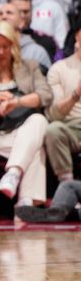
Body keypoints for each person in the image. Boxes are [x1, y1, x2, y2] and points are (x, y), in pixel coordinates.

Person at [0, 20, 52, 209]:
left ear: (13, 46)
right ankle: (26, 205)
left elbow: (45, 96)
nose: (0, 52)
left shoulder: (30, 67)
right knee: (36, 148)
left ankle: (13, 175)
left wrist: (17, 101)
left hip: (26, 127)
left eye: (5, 47)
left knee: (38, 119)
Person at [44, 23, 81, 184]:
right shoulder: (59, 69)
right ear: (77, 35)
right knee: (53, 130)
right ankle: (68, 187)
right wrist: (76, 94)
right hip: (71, 127)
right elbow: (54, 115)